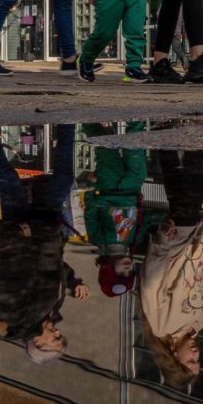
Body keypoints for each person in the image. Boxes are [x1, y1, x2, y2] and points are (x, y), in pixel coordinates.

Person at [0, 125, 87, 363]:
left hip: (23, 228)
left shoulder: (17, 316)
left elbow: (11, 274)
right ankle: (67, 124)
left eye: (55, 340)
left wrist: (19, 236)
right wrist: (74, 282)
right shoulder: (52, 311)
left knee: (8, 178)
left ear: (37, 342)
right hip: (47, 227)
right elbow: (54, 268)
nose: (58, 333)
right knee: (64, 179)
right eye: (60, 337)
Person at [142, 149, 203, 388]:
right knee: (184, 197)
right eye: (198, 359)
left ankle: (188, 146)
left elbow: (150, 284)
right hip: (196, 244)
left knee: (188, 197)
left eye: (191, 359)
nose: (196, 353)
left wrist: (162, 244)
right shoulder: (197, 325)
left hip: (175, 247)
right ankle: (169, 146)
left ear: (173, 358)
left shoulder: (161, 326)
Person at [80, 123, 157, 296]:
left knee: (105, 148)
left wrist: (91, 187)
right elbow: (145, 219)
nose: (127, 269)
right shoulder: (134, 239)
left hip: (109, 184)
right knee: (135, 151)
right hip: (133, 185)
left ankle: (88, 119)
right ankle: (135, 120)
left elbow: (90, 213)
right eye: (130, 273)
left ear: (107, 270)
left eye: (121, 273)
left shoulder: (98, 238)